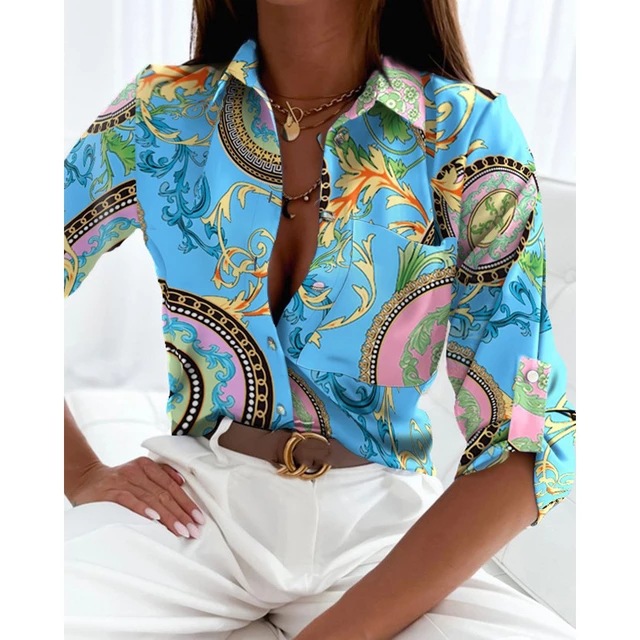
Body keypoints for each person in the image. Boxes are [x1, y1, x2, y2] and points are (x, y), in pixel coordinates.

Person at [64, 1, 577, 638]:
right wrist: (80, 472)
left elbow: (526, 432)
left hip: (385, 528)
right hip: (194, 507)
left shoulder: (467, 133)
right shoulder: (162, 111)